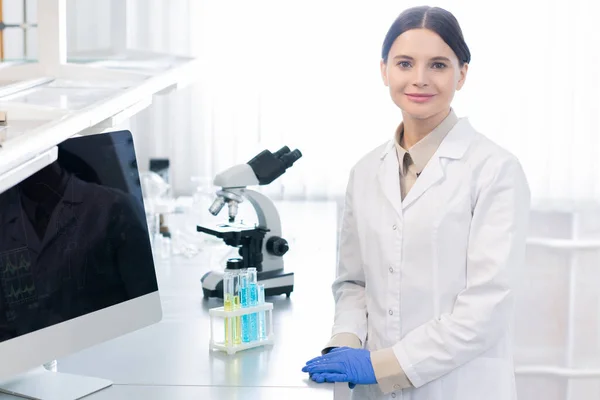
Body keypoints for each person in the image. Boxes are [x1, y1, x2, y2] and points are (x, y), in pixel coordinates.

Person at [301, 6, 530, 400]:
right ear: (384, 70)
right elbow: (354, 281)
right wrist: (346, 341)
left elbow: (487, 308)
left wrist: (383, 366)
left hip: (459, 386)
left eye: (438, 65)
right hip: (372, 388)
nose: (419, 79)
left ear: (462, 74)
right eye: (405, 63)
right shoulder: (364, 171)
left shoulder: (496, 170)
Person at [0, 158, 158, 342]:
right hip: (27, 364)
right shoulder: (4, 221)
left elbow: (148, 314)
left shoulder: (115, 208)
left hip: (106, 358)